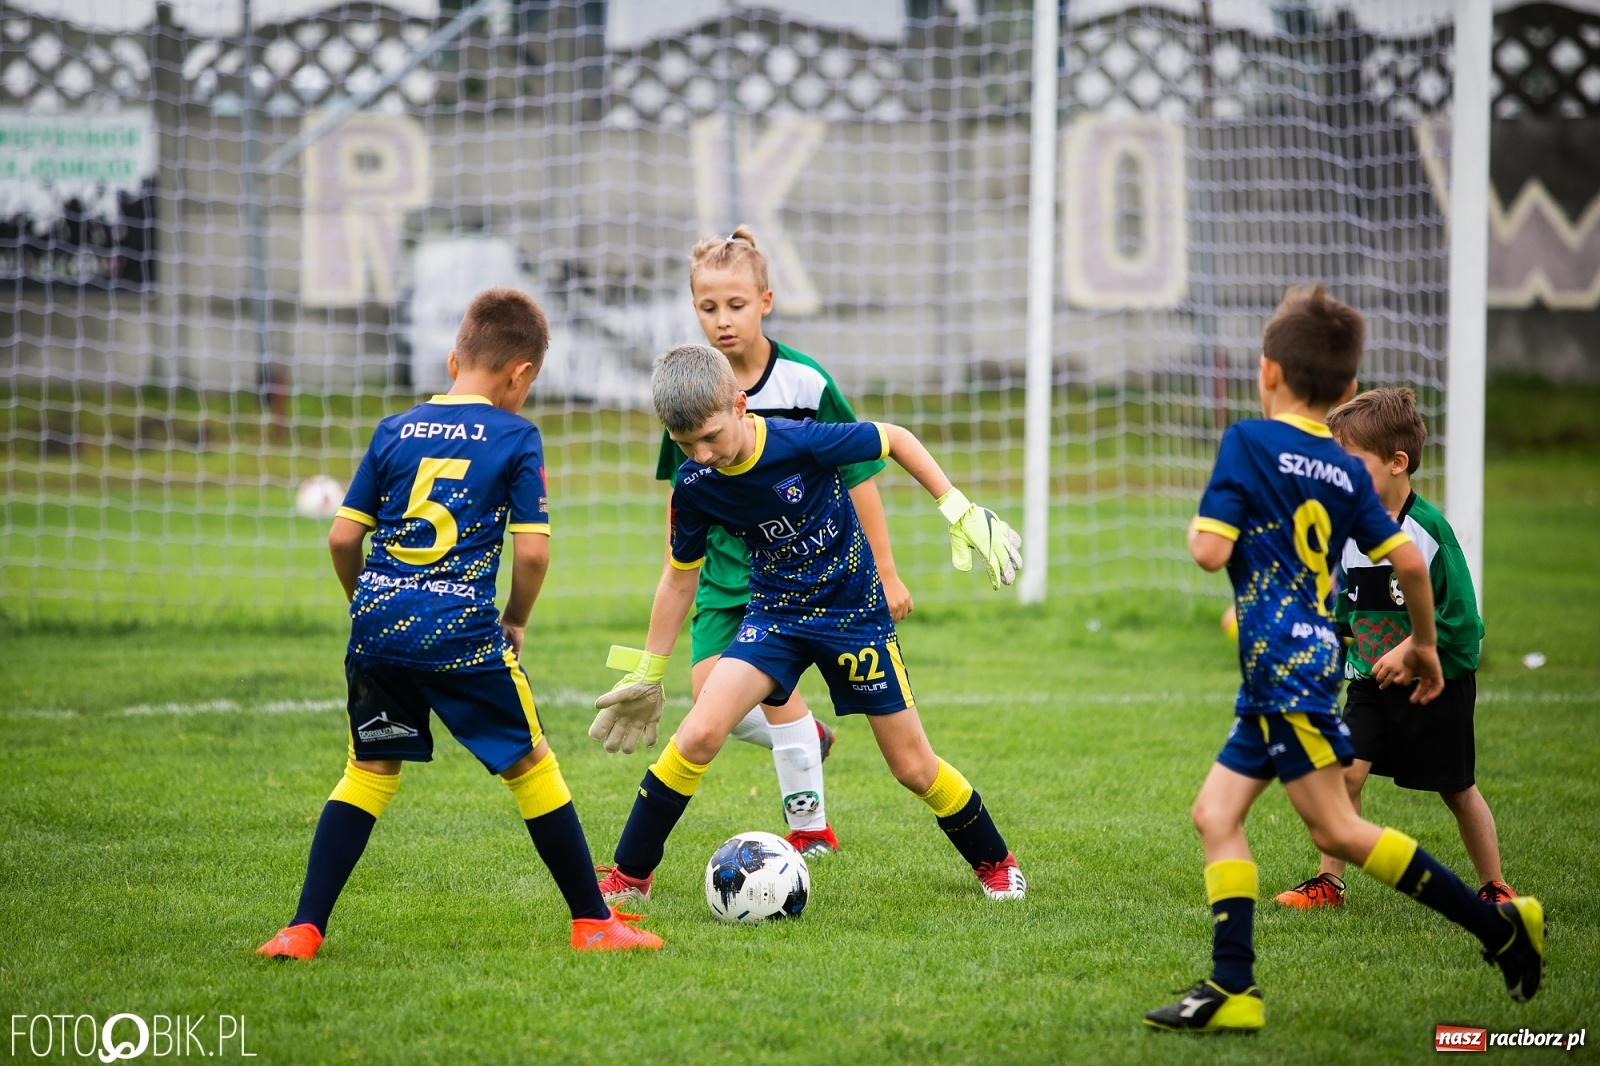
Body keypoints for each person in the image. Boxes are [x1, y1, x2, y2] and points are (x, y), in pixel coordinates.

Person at [1143, 286, 1543, 1033]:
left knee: (1338, 831)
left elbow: (1207, 551)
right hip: (1296, 669)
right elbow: (1413, 570)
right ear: (1347, 391)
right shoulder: (1349, 471)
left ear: (1267, 372)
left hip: (1286, 669)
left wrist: (1238, 548)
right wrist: (1424, 645)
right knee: (1215, 813)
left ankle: (1500, 929)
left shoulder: (1248, 443)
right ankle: (1233, 989)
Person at [257, 288, 661, 959]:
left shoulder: (394, 428)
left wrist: (371, 602)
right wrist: (516, 620)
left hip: (378, 627)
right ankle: (593, 922)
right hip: (461, 631)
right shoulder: (515, 435)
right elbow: (532, 550)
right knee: (531, 762)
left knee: (368, 768)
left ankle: (302, 929)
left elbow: (339, 538)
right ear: (522, 374)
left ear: (453, 358)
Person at [589, 343, 1027, 907]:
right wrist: (649, 669)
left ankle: (996, 863)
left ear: (740, 404)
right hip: (775, 617)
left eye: (710, 437)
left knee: (913, 767)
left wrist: (957, 507)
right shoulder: (694, 485)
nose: (700, 454)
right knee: (697, 733)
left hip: (854, 619)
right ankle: (629, 878)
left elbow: (893, 438)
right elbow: (679, 578)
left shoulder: (801, 440)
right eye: (684, 444)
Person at [592, 225, 912, 860]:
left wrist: (886, 568)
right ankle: (806, 740)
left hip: (802, 576)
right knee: (713, 698)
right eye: (708, 308)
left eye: (735, 305)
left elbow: (860, 472)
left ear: (765, 301)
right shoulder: (688, 395)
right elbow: (682, 497)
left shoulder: (804, 382)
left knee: (763, 692)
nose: (722, 320)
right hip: (720, 577)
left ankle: (811, 827)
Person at [1276, 387, 1511, 908]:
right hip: (1368, 682)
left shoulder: (1427, 532)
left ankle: (1495, 887)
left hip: (1434, 684)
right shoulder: (1349, 530)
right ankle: (1328, 884)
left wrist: (1411, 650)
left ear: (1396, 462)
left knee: (1457, 789)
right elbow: (1347, 606)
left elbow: (1463, 623)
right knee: (1345, 773)